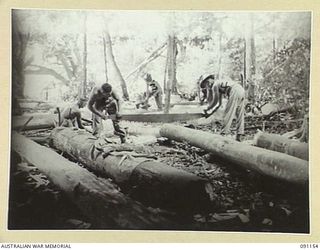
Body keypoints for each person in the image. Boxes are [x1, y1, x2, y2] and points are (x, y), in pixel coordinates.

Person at [202, 76, 245, 142]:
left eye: (207, 84)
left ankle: (224, 133)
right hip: (241, 89)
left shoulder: (215, 85)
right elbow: (219, 103)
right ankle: (240, 134)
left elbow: (215, 101)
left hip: (235, 90)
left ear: (209, 81)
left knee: (228, 113)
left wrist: (208, 108)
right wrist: (212, 111)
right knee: (239, 113)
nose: (208, 86)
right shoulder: (219, 84)